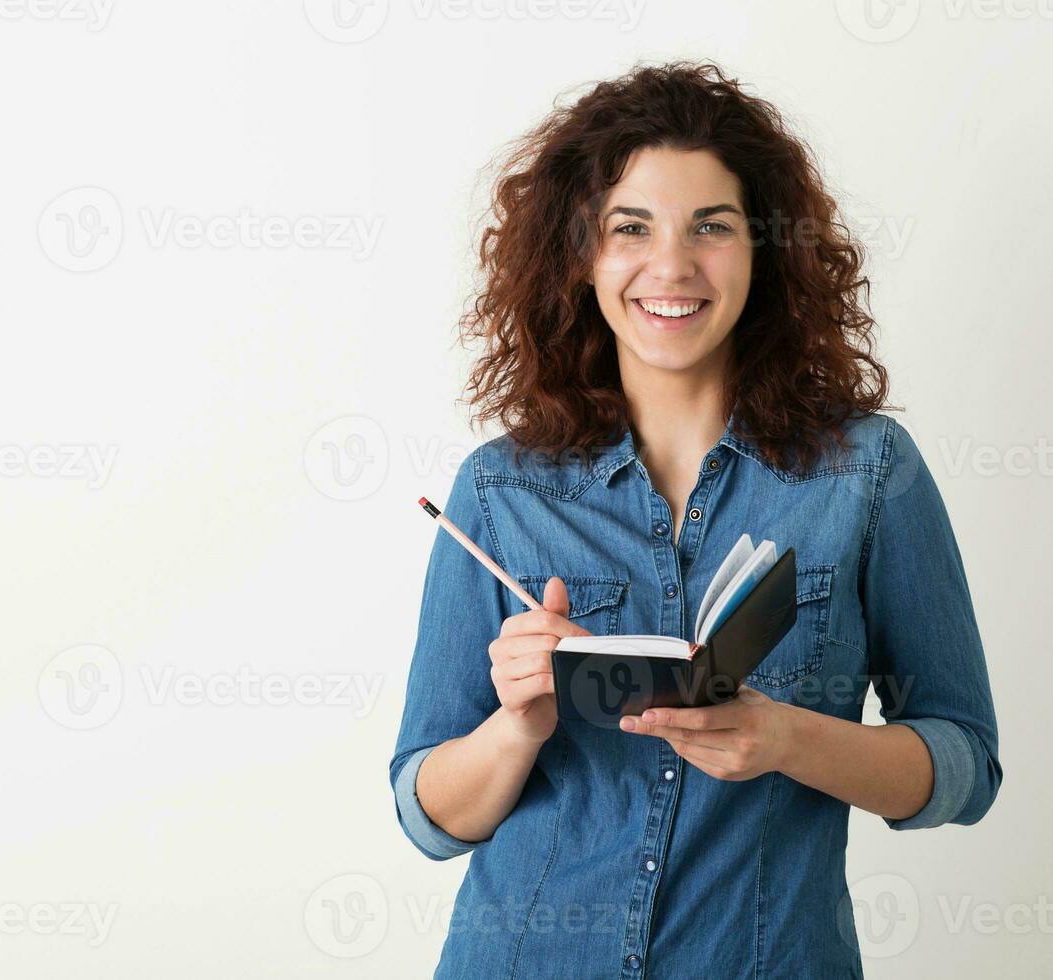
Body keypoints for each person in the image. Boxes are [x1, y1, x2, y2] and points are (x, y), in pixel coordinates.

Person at [390, 60, 1002, 979]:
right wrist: (517, 724)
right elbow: (427, 816)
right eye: (629, 228)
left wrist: (790, 740)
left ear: (765, 250)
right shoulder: (500, 490)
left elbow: (963, 767)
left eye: (710, 228)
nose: (670, 267)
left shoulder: (870, 475)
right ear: (581, 255)